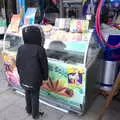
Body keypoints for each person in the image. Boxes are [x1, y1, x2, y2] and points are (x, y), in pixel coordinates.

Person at [16, 24, 48, 119]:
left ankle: (28, 109)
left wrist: (20, 74)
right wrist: (45, 78)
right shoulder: (40, 49)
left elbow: (18, 63)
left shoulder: (21, 48)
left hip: (24, 77)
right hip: (35, 79)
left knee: (27, 92)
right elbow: (44, 66)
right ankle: (35, 114)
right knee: (35, 96)